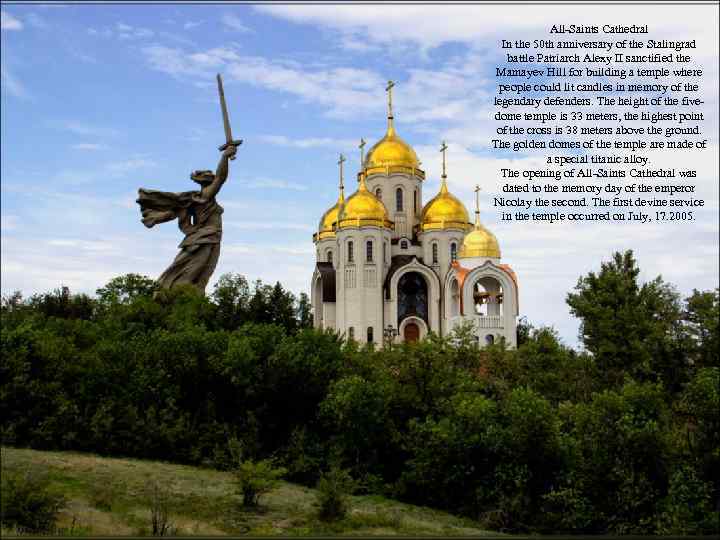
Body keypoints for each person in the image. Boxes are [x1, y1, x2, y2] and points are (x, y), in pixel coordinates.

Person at [136, 145, 237, 292]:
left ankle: (182, 292)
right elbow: (221, 177)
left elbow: (173, 212)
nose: (213, 176)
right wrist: (225, 157)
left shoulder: (193, 199)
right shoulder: (205, 196)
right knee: (197, 267)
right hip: (205, 237)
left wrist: (155, 219)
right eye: (209, 175)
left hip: (210, 237)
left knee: (203, 270)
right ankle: (175, 291)